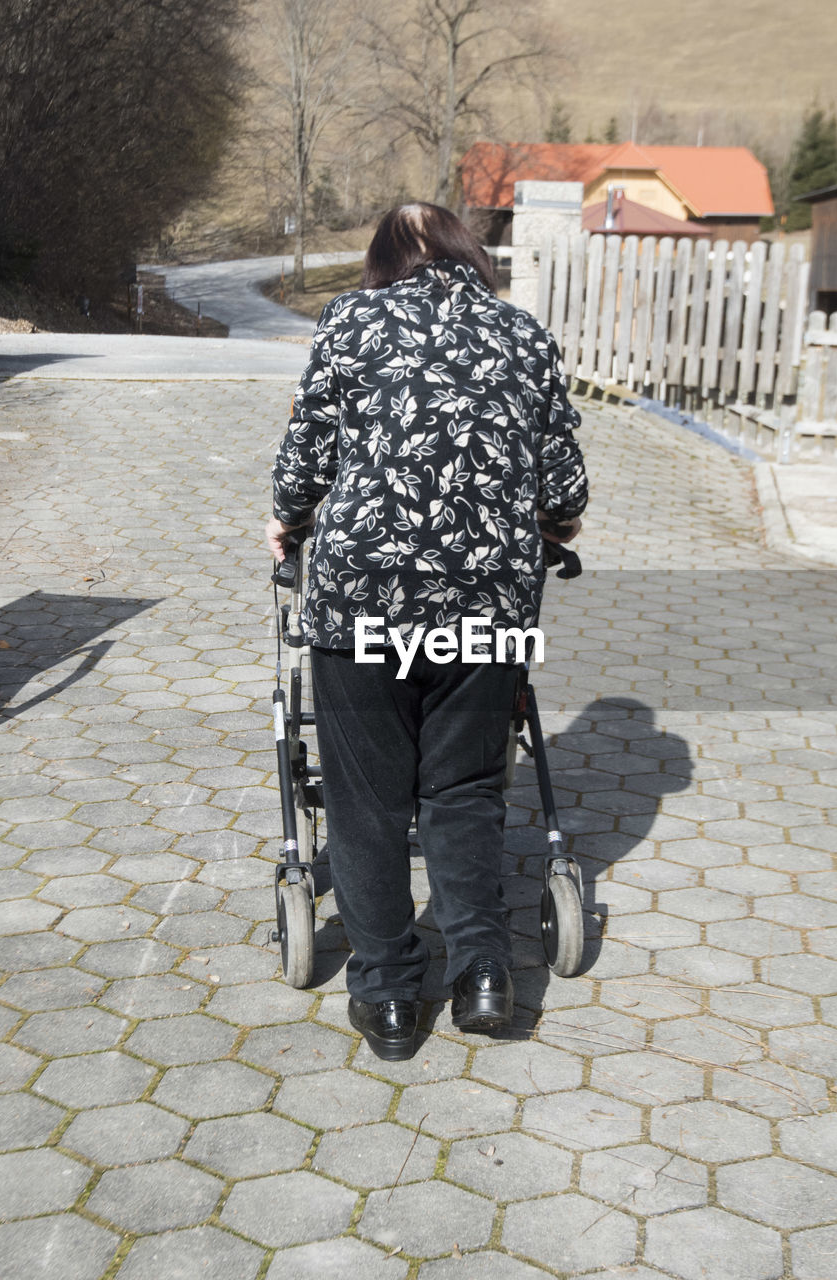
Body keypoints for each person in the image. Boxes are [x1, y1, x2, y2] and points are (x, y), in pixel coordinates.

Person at [265, 202, 587, 1061]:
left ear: (381, 261)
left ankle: (390, 996)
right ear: (465, 254)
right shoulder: (522, 332)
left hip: (364, 600)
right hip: (484, 609)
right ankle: (483, 973)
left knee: (367, 806)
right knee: (465, 791)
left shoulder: (350, 321)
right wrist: (555, 523)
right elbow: (563, 476)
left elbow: (308, 452)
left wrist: (287, 522)